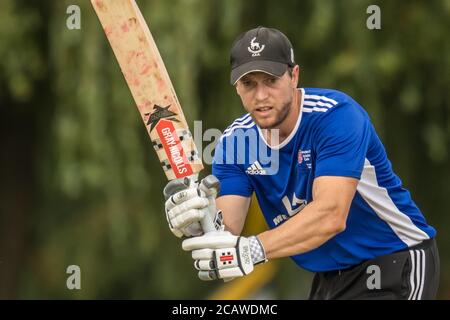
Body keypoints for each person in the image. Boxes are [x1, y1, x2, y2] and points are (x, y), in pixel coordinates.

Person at [164, 26, 440, 300]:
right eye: (249, 84)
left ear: (294, 75)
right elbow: (226, 232)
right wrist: (199, 224)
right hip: (329, 278)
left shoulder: (336, 116)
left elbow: (330, 216)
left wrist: (252, 249)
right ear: (237, 87)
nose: (260, 96)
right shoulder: (235, 143)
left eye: (270, 80)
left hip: (394, 259)